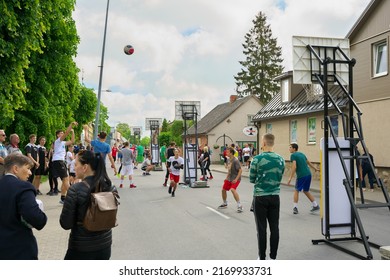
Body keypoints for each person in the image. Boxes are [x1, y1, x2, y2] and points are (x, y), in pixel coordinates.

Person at [60, 150, 117, 260]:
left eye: (76, 164)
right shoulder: (110, 187)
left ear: (85, 167)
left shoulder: (75, 190)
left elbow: (65, 224)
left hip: (81, 248)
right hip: (104, 246)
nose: (73, 168)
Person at [0, 153, 47, 260]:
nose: (30, 173)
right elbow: (36, 219)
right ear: (16, 169)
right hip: (19, 249)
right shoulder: (23, 187)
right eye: (28, 168)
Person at [250, 133, 285, 260]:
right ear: (273, 143)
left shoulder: (257, 159)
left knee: (261, 228)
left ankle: (262, 257)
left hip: (260, 197)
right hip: (275, 196)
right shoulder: (281, 159)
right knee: (274, 227)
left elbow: (251, 179)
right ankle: (273, 257)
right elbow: (280, 177)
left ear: (263, 143)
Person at [287, 143, 320, 214]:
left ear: (294, 149)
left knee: (296, 190)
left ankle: (295, 208)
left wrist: (290, 177)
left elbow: (294, 167)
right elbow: (308, 162)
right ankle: (315, 205)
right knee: (306, 190)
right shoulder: (302, 154)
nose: (289, 149)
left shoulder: (293, 155)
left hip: (301, 176)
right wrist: (315, 168)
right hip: (308, 174)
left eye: (290, 147)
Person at [52, 121, 77, 204]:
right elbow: (66, 133)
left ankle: (63, 198)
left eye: (62, 133)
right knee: (66, 179)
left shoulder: (62, 143)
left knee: (64, 179)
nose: (62, 134)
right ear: (58, 135)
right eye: (61, 133)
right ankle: (72, 197)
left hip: (61, 161)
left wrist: (73, 132)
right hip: (58, 161)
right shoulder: (58, 141)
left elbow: (72, 141)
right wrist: (71, 125)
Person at [217, 147, 243, 212]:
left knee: (232, 190)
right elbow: (229, 170)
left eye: (228, 152)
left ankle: (239, 205)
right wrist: (226, 178)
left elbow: (240, 170)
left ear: (231, 153)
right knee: (223, 190)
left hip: (236, 178)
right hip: (229, 178)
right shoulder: (229, 160)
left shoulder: (235, 160)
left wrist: (236, 179)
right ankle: (225, 203)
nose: (226, 153)